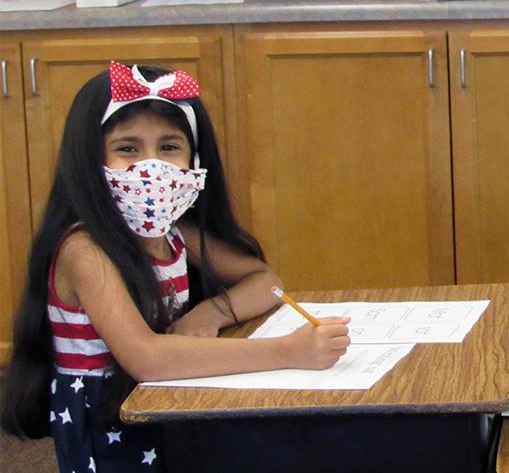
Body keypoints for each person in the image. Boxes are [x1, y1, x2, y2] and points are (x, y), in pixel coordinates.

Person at [1, 62, 351, 472]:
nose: (151, 168)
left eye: (169, 147)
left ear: (194, 158)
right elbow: (146, 358)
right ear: (89, 158)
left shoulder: (175, 231)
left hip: (162, 407)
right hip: (109, 428)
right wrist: (288, 351)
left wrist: (210, 312)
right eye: (127, 148)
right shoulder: (85, 250)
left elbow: (265, 281)